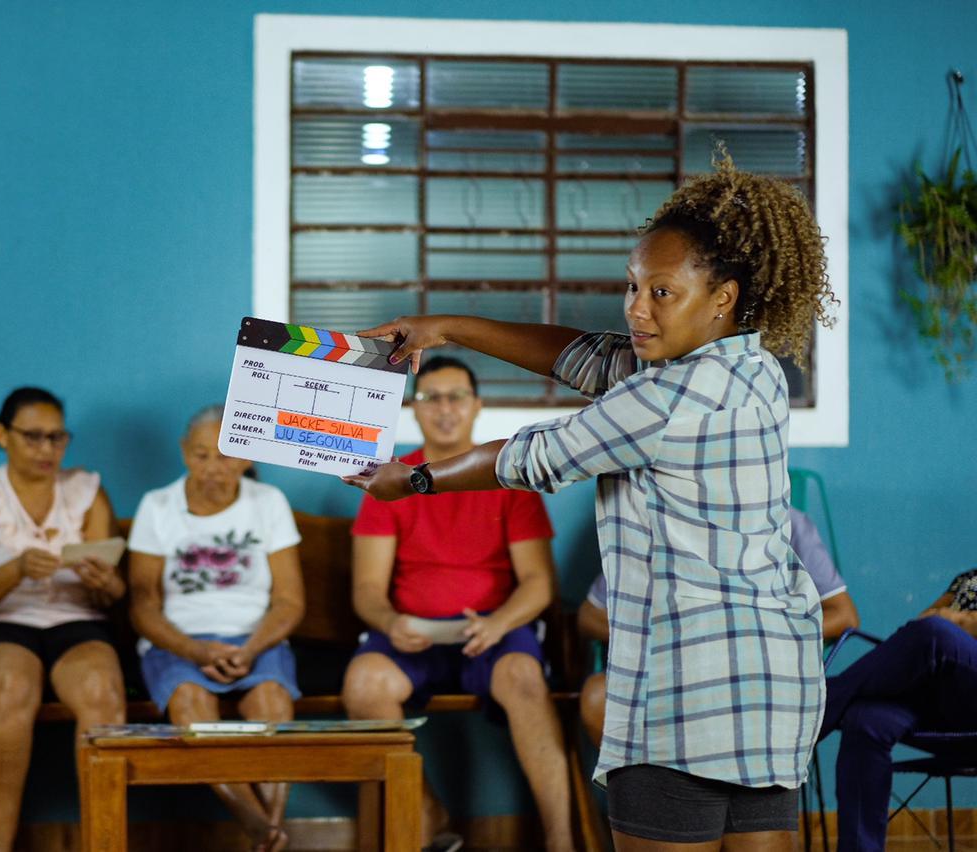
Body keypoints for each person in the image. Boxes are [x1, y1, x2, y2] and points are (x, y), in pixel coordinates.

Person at [344, 153, 838, 850]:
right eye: (632, 286)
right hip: (768, 682)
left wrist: (416, 479)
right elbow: (582, 356)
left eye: (660, 293)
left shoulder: (671, 397)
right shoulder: (748, 366)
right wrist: (444, 327)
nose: (637, 307)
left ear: (723, 294)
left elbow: (539, 453)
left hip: (687, 684)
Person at [341, 356, 574, 852]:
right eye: (431, 398)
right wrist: (390, 621)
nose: (444, 409)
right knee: (363, 684)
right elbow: (366, 590)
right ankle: (425, 807)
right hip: (410, 634)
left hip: (492, 631)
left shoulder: (508, 476)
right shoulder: (390, 480)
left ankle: (561, 841)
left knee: (524, 678)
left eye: (456, 397)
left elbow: (537, 583)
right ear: (415, 409)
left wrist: (498, 623)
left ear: (476, 406)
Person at [0, 387, 127, 852]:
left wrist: (102, 580)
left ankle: (104, 842)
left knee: (101, 690)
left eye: (57, 438)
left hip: (75, 617)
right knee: (12, 683)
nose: (47, 449)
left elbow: (114, 597)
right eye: (33, 437)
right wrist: (15, 569)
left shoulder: (87, 489)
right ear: (3, 435)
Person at [128, 405, 304, 852]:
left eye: (227, 455)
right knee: (190, 703)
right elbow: (143, 605)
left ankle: (271, 830)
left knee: (272, 703)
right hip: (179, 640)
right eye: (202, 455)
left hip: (257, 637)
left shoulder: (268, 503)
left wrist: (250, 650)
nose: (213, 468)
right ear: (185, 454)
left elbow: (288, 602)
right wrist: (195, 650)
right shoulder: (158, 506)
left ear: (247, 457)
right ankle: (258, 825)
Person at [577, 507, 860, 747]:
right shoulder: (657, 518)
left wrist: (760, 632)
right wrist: (658, 634)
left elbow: (843, 615)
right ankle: (649, 808)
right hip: (668, 667)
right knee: (597, 697)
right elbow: (589, 616)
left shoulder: (786, 521)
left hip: (755, 671)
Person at [819, 570, 977, 851]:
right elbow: (921, 623)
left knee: (936, 634)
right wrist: (953, 623)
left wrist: (954, 620)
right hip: (941, 699)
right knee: (867, 718)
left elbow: (939, 627)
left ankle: (815, 706)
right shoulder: (969, 579)